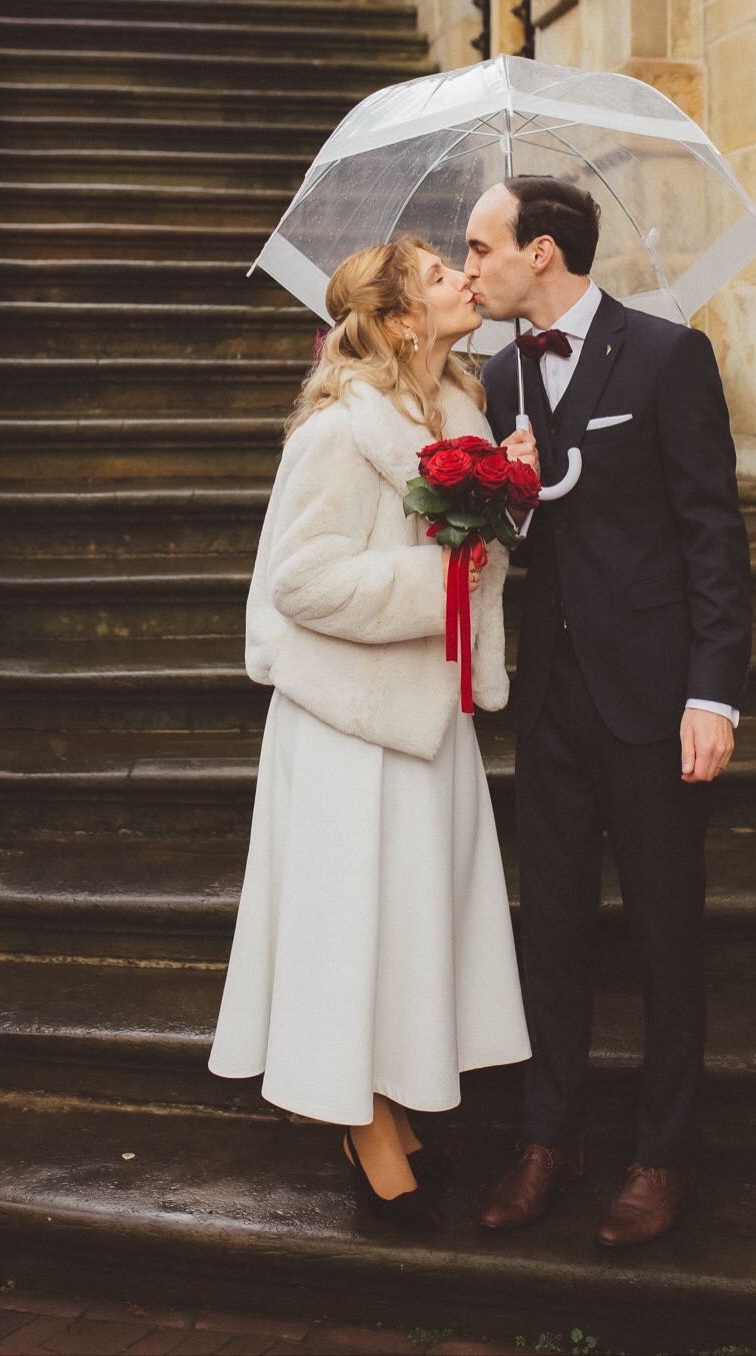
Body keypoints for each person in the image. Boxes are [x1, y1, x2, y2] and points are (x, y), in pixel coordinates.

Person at [207, 237, 535, 1231]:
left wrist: (504, 494)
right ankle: (363, 1117)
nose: (464, 280)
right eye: (440, 275)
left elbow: (473, 559)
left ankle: (391, 1090)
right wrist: (437, 581)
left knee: (409, 924)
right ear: (398, 320)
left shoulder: (468, 415)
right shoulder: (337, 430)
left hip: (430, 715)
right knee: (350, 929)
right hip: (348, 718)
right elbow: (297, 582)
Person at [464, 175, 753, 1249]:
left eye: (483, 245)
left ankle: (666, 1153)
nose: (472, 264)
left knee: (668, 934)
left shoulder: (669, 356)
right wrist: (510, 500)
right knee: (553, 932)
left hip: (657, 698)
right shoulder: (496, 378)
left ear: (542, 251)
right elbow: (505, 544)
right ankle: (551, 1137)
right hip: (549, 701)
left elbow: (712, 533)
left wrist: (713, 690)